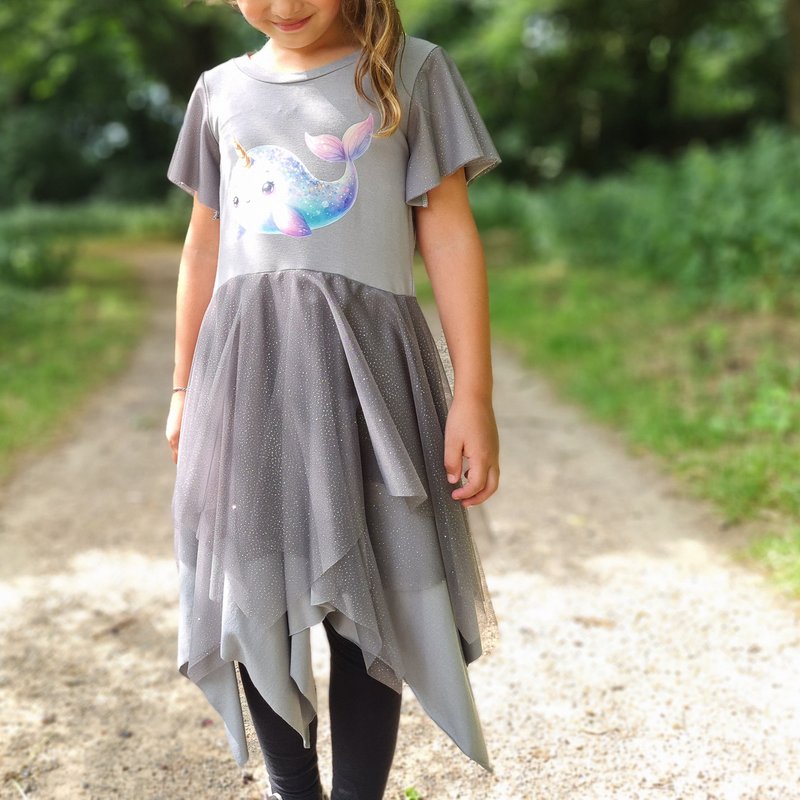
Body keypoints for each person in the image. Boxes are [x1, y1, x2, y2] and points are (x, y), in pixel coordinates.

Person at [164, 1, 501, 798]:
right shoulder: (219, 92)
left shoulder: (410, 74)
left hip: (368, 382)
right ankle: (292, 788)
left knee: (371, 592)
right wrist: (182, 386)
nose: (283, 6)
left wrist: (474, 394)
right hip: (249, 382)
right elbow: (203, 245)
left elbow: (450, 233)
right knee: (255, 588)